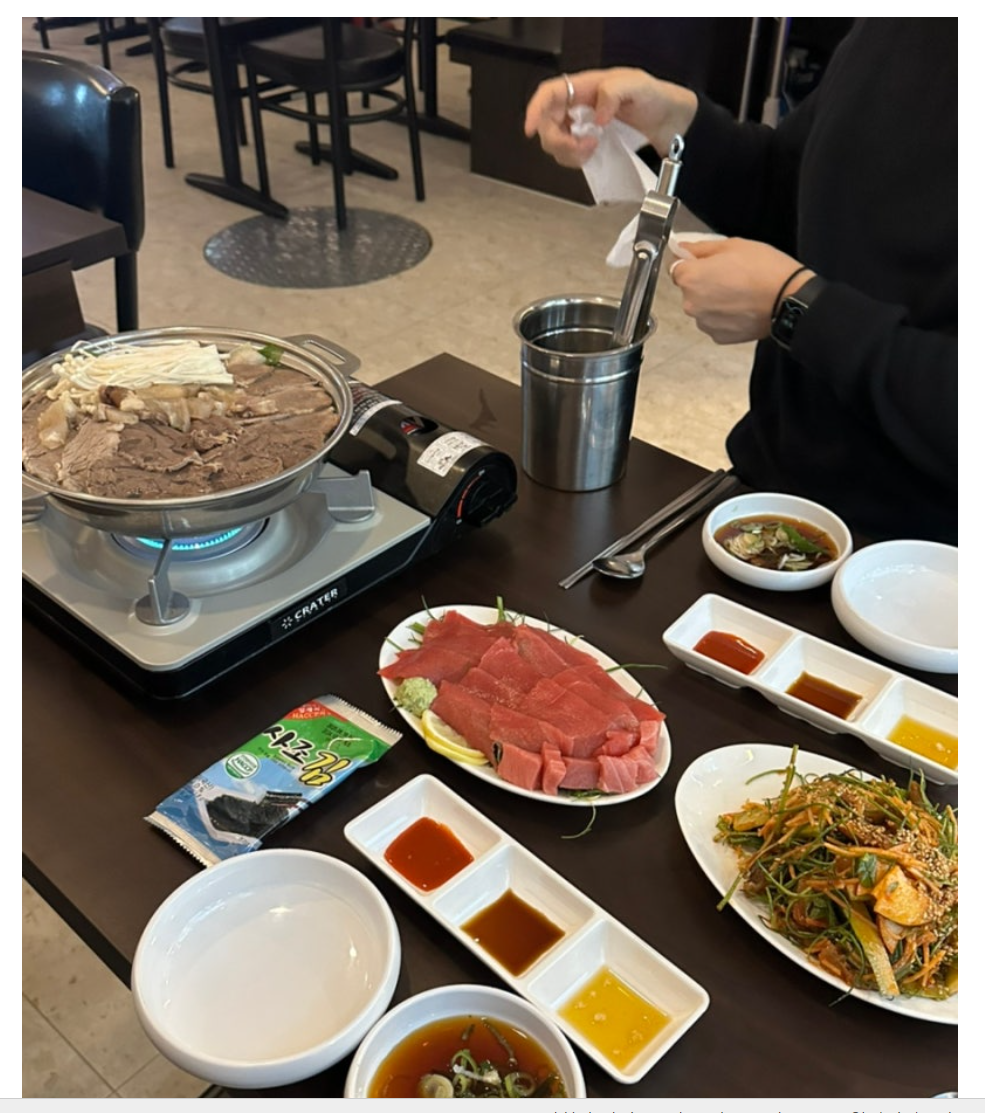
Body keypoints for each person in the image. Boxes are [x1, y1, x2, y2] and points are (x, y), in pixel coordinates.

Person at [524, 18, 957, 545]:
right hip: (771, 493)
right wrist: (676, 122)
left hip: (921, 559)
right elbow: (787, 187)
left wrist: (796, 308)